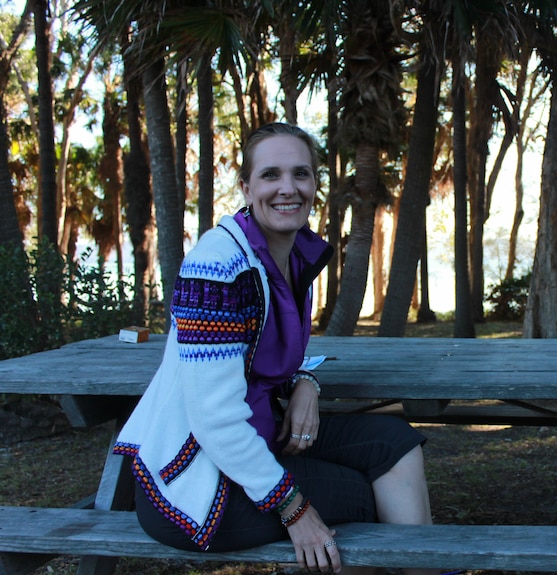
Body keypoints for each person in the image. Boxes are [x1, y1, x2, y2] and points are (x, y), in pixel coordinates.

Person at [114, 122, 435, 574]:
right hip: (200, 483)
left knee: (394, 442)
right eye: (271, 175)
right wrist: (295, 511)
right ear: (246, 186)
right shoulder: (219, 264)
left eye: (301, 174)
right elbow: (214, 419)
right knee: (364, 496)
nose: (288, 188)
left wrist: (304, 380)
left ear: (315, 184)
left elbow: (272, 348)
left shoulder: (287, 254)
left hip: (257, 442)